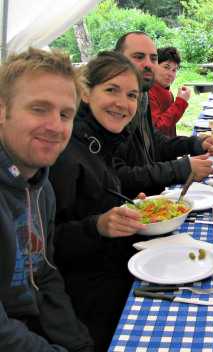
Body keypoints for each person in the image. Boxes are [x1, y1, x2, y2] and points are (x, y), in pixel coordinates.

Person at [49, 51, 148, 352]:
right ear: (85, 93)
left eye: (131, 95)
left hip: (113, 267)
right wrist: (99, 227)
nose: (123, 103)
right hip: (84, 296)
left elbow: (94, 203)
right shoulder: (65, 154)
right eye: (111, 90)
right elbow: (45, 245)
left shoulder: (98, 142)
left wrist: (127, 207)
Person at [0, 48, 94, 350]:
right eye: (39, 109)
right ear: (2, 111)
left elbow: (45, 276)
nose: (56, 127)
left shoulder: (40, 186)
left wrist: (80, 346)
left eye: (65, 114)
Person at [113, 32, 213, 198]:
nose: (148, 64)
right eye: (138, 57)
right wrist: (180, 168)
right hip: (134, 202)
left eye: (153, 59)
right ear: (117, 60)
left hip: (153, 193)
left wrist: (196, 144)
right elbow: (119, 176)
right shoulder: (113, 109)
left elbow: (155, 141)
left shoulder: (142, 97)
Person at [149, 46, 191, 137]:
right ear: (154, 66)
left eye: (174, 70)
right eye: (166, 67)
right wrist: (181, 102)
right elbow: (158, 129)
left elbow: (170, 131)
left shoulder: (167, 93)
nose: (170, 74)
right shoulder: (148, 93)